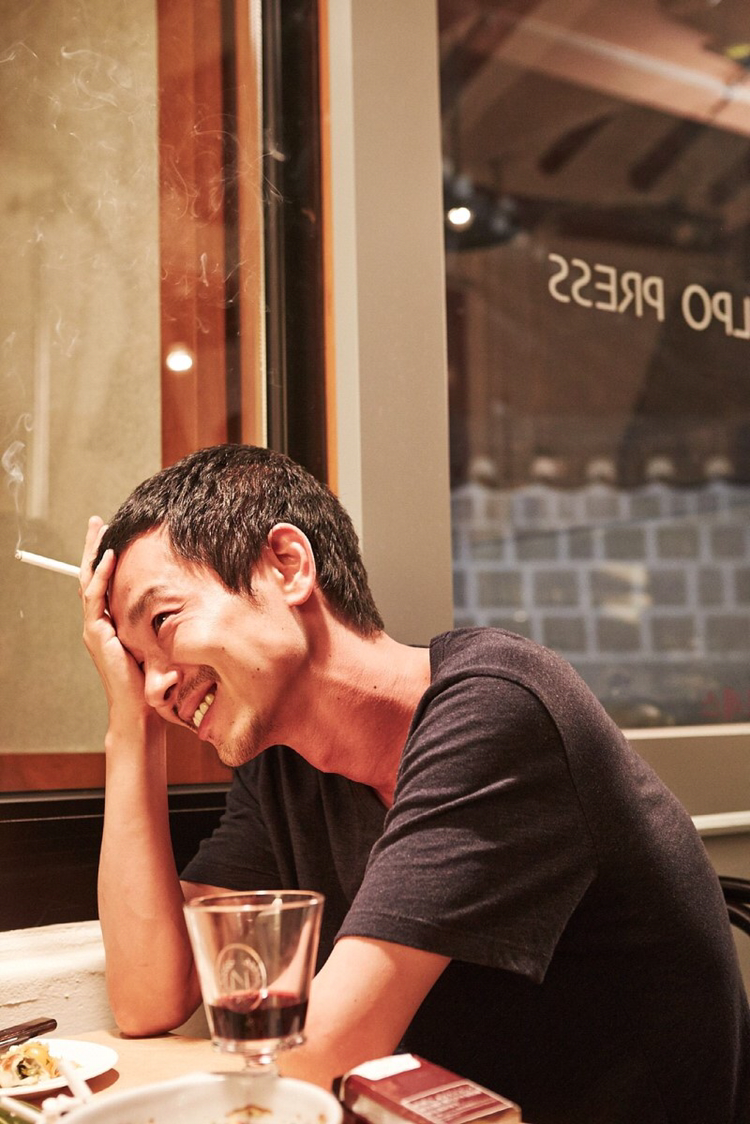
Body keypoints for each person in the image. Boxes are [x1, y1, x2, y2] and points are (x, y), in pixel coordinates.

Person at [80, 443, 749, 1124]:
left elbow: (321, 1056)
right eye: (137, 663)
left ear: (287, 565)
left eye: (163, 622)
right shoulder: (283, 768)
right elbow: (148, 998)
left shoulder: (497, 709)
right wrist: (131, 728)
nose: (156, 685)